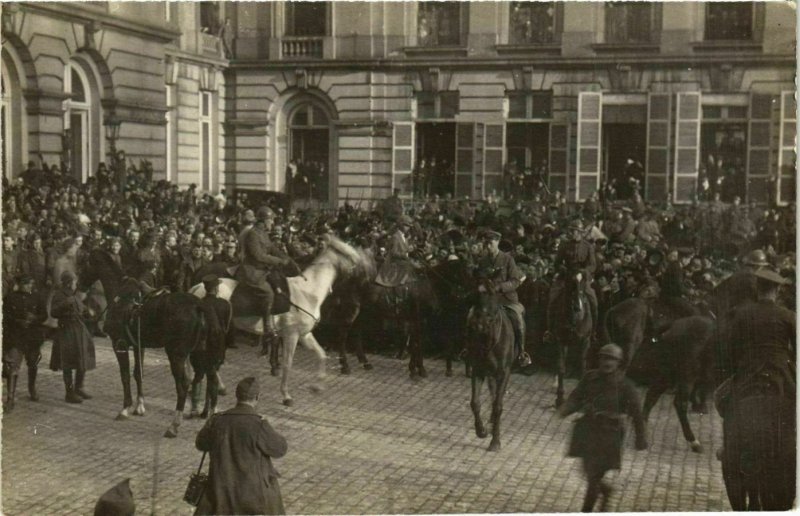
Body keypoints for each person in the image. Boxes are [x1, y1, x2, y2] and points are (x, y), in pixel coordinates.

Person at [558, 343, 648, 512]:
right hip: (588, 430)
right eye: (604, 357)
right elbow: (576, 397)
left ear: (619, 363)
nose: (607, 362)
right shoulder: (590, 378)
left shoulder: (626, 386)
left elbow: (637, 414)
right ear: (599, 359)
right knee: (587, 471)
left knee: (594, 476)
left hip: (610, 434)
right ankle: (605, 490)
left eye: (611, 359)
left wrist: (640, 438)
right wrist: (564, 410)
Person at [194, 376, 288, 515]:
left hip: (220, 493)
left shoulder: (217, 420)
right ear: (256, 398)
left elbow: (201, 444)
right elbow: (280, 449)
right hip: (252, 496)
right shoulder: (259, 424)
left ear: (237, 396)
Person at [716, 268, 795, 415]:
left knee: (721, 400)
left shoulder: (741, 314)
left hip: (749, 369)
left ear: (757, 288)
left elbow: (731, 348)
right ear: (777, 290)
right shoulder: (789, 316)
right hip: (781, 372)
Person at [236, 207, 294, 351]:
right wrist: (279, 261)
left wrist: (286, 258)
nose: (272, 223)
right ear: (264, 220)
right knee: (268, 292)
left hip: (262, 269)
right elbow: (259, 256)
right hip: (252, 270)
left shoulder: (263, 233)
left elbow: (272, 248)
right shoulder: (253, 234)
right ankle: (267, 327)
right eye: (271, 220)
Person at [477, 230, 532, 368]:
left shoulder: (508, 259)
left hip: (506, 299)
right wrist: (481, 286)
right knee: (472, 315)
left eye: (490, 243)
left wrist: (500, 287)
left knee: (518, 319)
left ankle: (521, 352)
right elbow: (480, 278)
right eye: (485, 243)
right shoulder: (483, 261)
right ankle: (469, 349)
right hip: (489, 300)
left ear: (497, 243)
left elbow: (515, 281)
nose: (487, 246)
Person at [49, 270, 96, 404]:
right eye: (75, 282)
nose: (76, 284)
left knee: (83, 357)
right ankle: (69, 393)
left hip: (79, 329)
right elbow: (53, 312)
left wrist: (88, 312)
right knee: (68, 362)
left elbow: (81, 309)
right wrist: (65, 303)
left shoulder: (74, 295)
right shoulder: (59, 295)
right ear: (69, 283)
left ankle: (79, 387)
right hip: (66, 331)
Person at [548, 219, 598, 339]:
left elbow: (592, 265)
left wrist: (583, 272)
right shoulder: (564, 245)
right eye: (571, 231)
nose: (572, 233)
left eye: (575, 231)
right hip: (566, 277)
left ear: (580, 233)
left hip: (582, 278)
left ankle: (593, 331)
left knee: (593, 301)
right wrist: (563, 269)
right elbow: (557, 263)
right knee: (552, 299)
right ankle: (550, 331)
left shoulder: (588, 246)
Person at [2, 275, 47, 410]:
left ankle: (32, 389)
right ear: (19, 284)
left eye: (30, 284)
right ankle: (10, 398)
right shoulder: (10, 298)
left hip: (32, 338)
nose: (29, 287)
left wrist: (34, 319)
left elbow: (44, 315)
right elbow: (4, 316)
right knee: (13, 367)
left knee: (32, 364)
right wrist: (17, 321)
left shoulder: (37, 298)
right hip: (16, 337)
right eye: (26, 284)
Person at [374, 215, 417, 287]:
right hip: (393, 263)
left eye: (409, 226)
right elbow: (394, 253)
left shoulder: (404, 237)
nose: (408, 228)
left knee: (413, 266)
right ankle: (399, 289)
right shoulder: (396, 237)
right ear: (401, 225)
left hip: (400, 261)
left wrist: (410, 251)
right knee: (409, 266)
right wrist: (406, 251)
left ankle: (406, 287)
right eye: (406, 225)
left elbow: (405, 251)